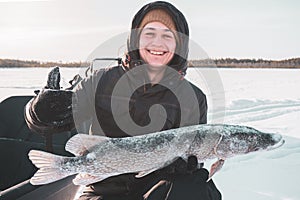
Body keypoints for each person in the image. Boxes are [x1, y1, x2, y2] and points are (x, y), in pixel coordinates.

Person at [25, 1, 222, 200]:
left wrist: (185, 169)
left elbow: (194, 153)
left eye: (167, 35)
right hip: (102, 190)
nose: (157, 43)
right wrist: (40, 111)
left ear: (180, 43)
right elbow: (44, 123)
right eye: (149, 33)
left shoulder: (193, 98)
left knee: (196, 191)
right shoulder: (99, 81)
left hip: (159, 189)